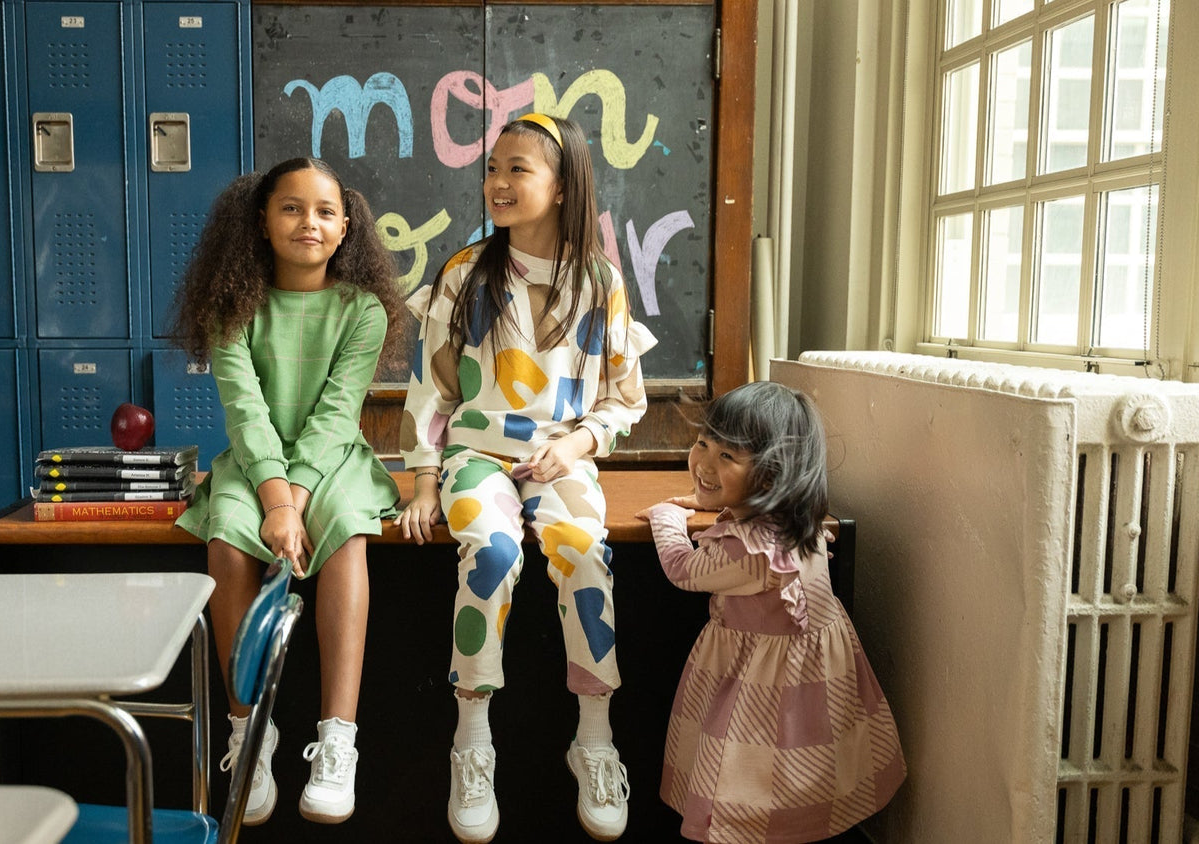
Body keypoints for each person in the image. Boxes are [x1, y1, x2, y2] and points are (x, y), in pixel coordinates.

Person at [395, 113, 656, 843]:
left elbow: (624, 399)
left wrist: (577, 445)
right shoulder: (464, 274)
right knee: (494, 552)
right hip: (476, 455)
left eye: (519, 170)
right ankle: (472, 737)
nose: (498, 183)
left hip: (560, 458)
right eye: (492, 169)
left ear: (563, 186)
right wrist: (423, 478)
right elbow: (430, 391)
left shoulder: (600, 283)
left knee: (582, 551)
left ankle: (594, 737)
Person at [171, 157, 405, 826]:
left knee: (349, 539)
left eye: (326, 211)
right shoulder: (234, 308)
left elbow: (336, 415)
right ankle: (249, 731)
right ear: (262, 223)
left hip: (332, 460)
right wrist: (275, 500)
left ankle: (338, 739)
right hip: (254, 463)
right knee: (225, 540)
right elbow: (246, 412)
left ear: (346, 228)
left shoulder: (361, 310)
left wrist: (296, 500)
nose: (311, 222)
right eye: (292, 208)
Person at [635, 381, 906, 843]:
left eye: (728, 457)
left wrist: (666, 517)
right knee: (806, 774)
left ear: (770, 475)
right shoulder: (802, 522)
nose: (703, 462)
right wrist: (709, 503)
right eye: (703, 442)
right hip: (814, 679)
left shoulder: (750, 554)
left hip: (761, 683)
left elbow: (683, 570)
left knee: (747, 783)